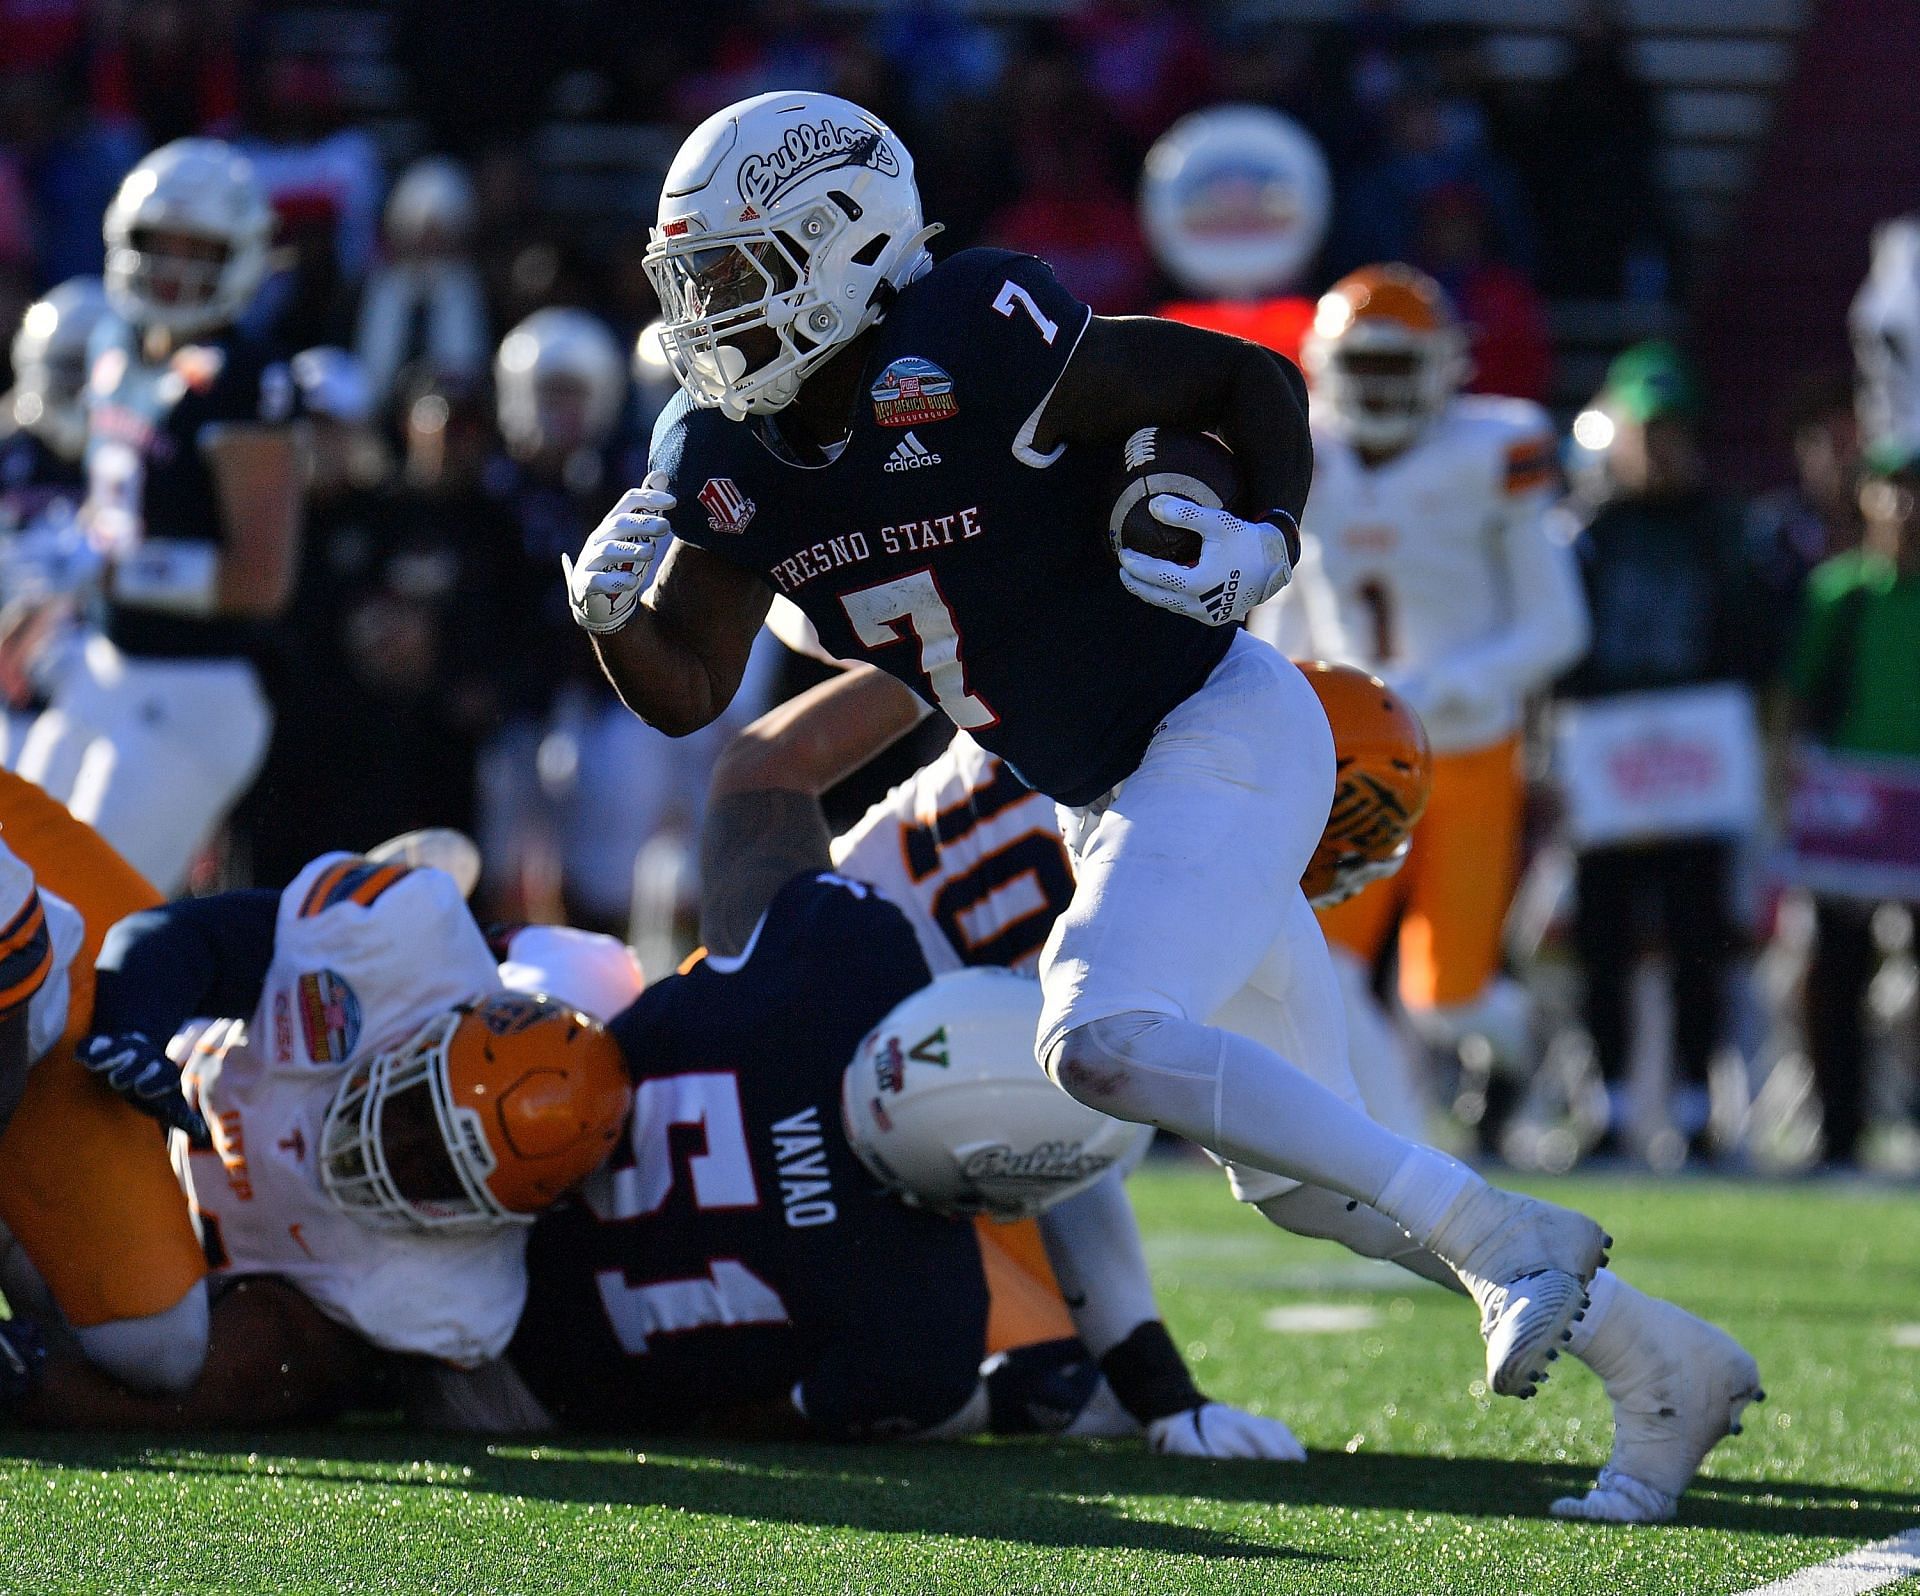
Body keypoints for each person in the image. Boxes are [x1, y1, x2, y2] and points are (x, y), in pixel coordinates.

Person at [565, 89, 1611, 1410]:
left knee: (1103, 1042)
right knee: (1301, 1178)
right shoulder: (716, 446)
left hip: (1186, 743)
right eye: (693, 279)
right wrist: (607, 622)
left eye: (736, 272)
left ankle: (1474, 1246)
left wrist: (1262, 535)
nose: (708, 310)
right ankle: (1652, 1355)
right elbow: (692, 690)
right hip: (1055, 837)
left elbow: (1231, 382)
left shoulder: (973, 334)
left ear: (845, 245)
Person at [717, 656, 1765, 1522]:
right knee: (1035, 1379)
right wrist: (1158, 1386)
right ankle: (1623, 1335)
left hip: (887, 1045)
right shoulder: (1159, 823)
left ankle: (1652, 1355)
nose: (1343, 871)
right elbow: (1049, 1138)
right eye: (1339, 829)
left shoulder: (1107, 750)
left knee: (1319, 1171)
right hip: (860, 1101)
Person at [434, 731, 1300, 1460]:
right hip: (509, 1373)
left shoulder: (849, 954)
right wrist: (1055, 1398)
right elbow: (752, 1418)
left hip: (469, 1143)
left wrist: (927, 670)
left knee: (584, 973)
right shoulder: (921, 1327)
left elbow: (759, 767)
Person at [0, 845, 632, 1427]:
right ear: (428, 1037)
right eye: (417, 1109)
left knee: (156, 1345)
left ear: (490, 1215)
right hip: (104, 1092)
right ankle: (459, 914)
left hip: (140, 1229)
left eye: (439, 1171)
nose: (396, 1148)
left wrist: (32, 1383)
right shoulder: (397, 958)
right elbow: (191, 936)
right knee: (49, 996)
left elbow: (246, 1378)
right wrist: (134, 1024)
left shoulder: (454, 1293)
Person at [1254, 263, 1587, 1144]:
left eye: (1398, 367)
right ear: (1327, 365)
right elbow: (1283, 603)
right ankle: (1379, 1143)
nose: (1380, 388)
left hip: (1468, 749)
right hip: (1352, 753)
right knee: (1316, 967)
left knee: (1446, 1001)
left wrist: (1448, 685)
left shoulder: (1495, 447)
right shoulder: (1302, 446)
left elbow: (1559, 624)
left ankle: (1519, 1051)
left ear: (1444, 368)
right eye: (1364, 367)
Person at [15, 138, 305, 895]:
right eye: (157, 244)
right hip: (103, 665)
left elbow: (261, 578)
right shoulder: (115, 342)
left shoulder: (247, 378)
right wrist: (55, 581)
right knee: (14, 881)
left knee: (85, 916)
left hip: (194, 689)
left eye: (198, 250)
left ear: (241, 256)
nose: (174, 269)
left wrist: (106, 567)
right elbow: (119, 508)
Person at [1552, 342, 1774, 1161]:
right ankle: (1605, 1105)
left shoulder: (1725, 528)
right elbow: (1557, 651)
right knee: (1602, 938)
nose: (1662, 448)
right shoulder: (1583, 528)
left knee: (1698, 941)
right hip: (1605, 761)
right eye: (1649, 429)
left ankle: (1690, 1108)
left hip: (1695, 761)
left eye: (1676, 430)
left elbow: (1753, 645)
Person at [1784, 441, 1920, 1168]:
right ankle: (1839, 1128)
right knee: (1836, 969)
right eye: (1892, 490)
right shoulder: (1842, 593)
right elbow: (1800, 698)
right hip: (1859, 812)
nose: (1906, 509)